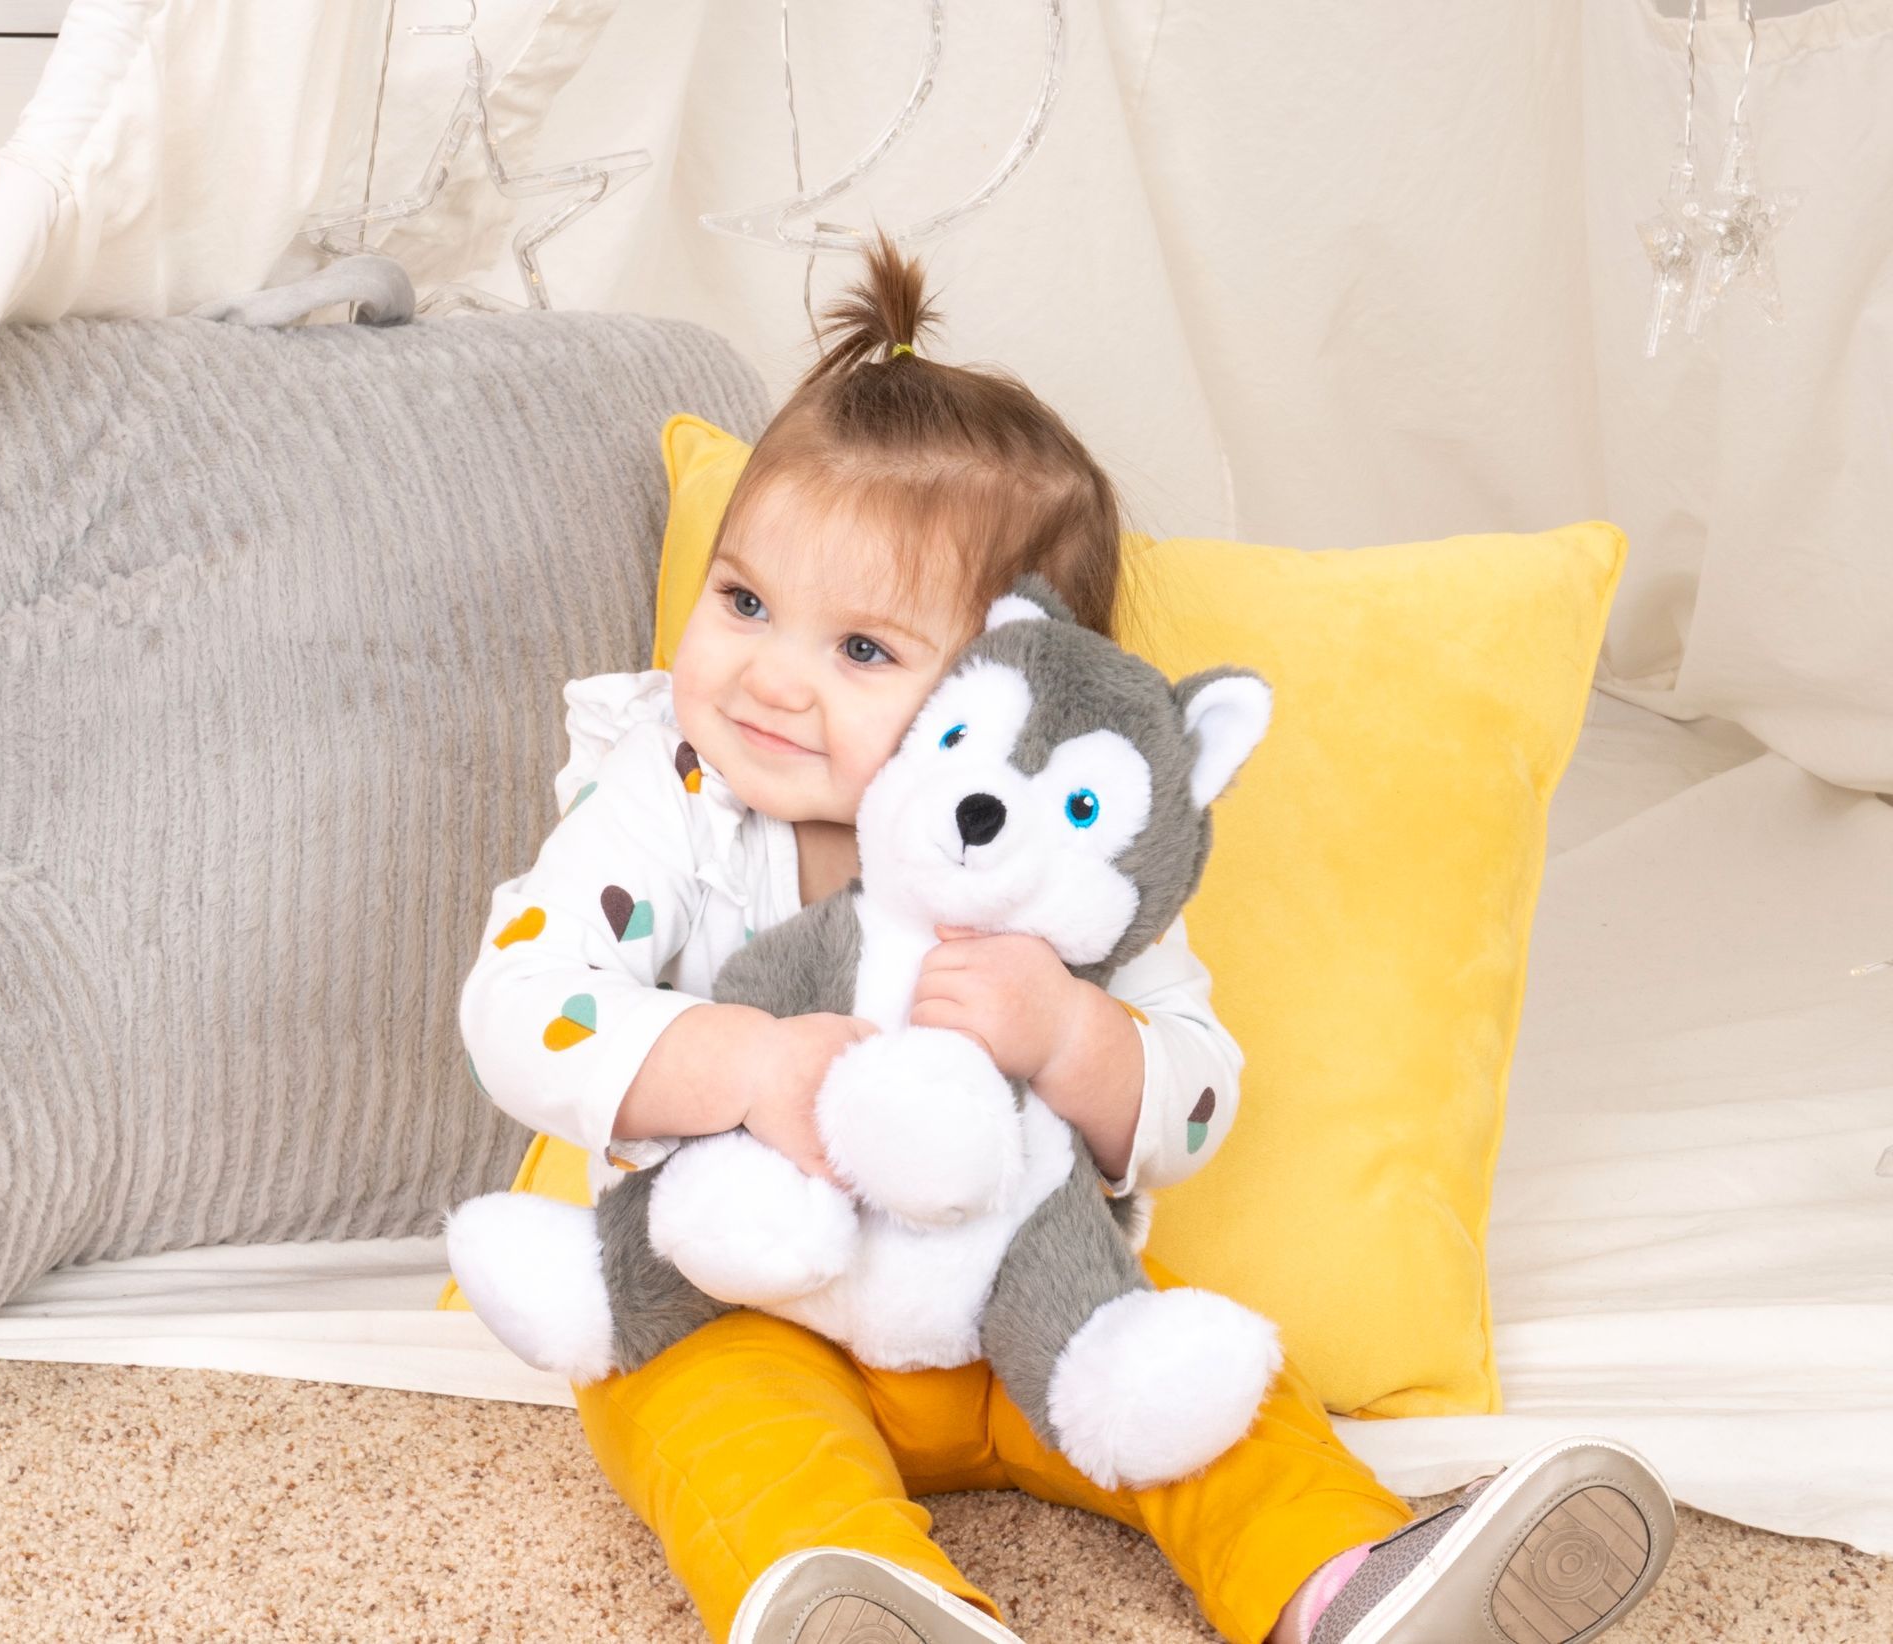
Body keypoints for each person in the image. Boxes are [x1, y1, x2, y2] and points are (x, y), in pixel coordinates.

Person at [456, 236, 1675, 1644]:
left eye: (863, 651)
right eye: (743, 602)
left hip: (1012, 1314)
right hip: (744, 1296)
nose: (771, 677)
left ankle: (1347, 1581)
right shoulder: (670, 796)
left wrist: (1075, 1037)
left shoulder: (1057, 860)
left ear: (1016, 683)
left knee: (1210, 1386)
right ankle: (878, 1605)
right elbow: (523, 1002)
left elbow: (1198, 1088)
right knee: (701, 1419)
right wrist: (741, 1064)